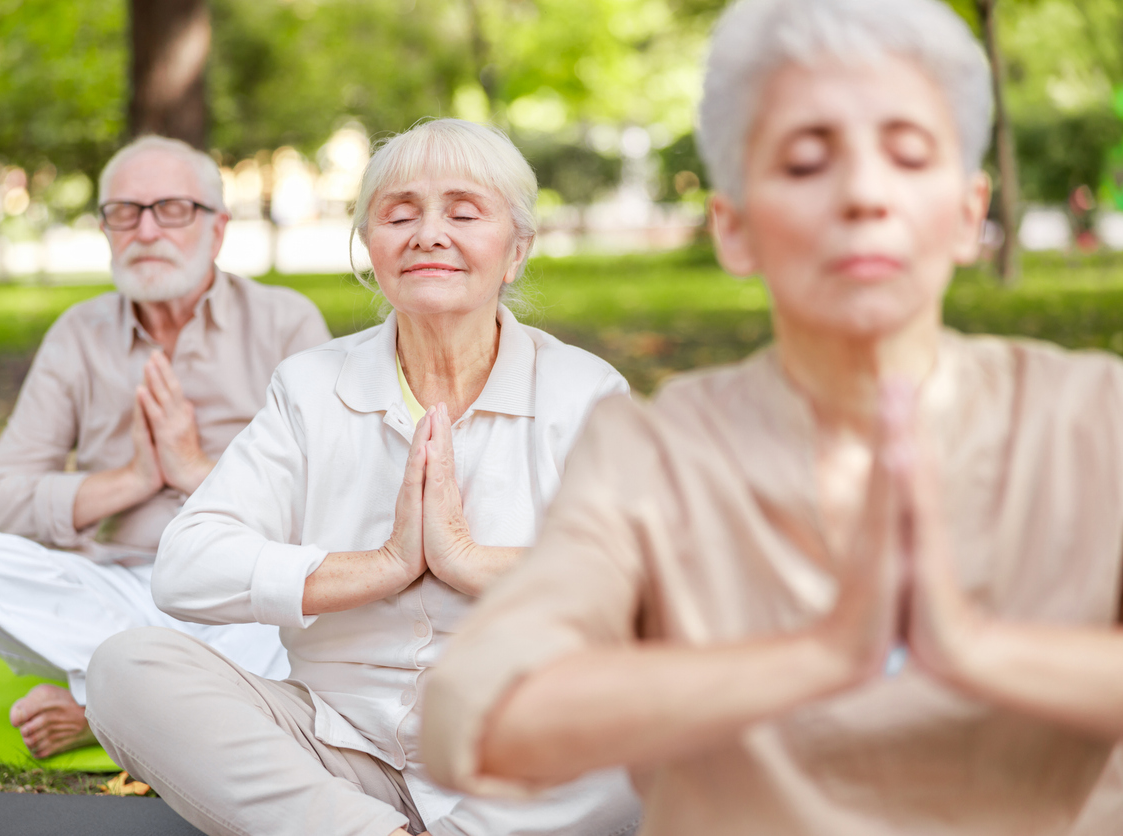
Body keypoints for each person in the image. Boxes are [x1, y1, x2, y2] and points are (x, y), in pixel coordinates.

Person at [420, 1, 1123, 833]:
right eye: (804, 163)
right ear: (735, 227)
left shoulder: (1096, 419)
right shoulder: (650, 451)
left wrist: (972, 648)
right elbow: (479, 719)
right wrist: (821, 655)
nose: (864, 194)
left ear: (970, 213)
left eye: (907, 155)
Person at [83, 119, 642, 836]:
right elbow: (186, 569)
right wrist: (382, 566)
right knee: (126, 669)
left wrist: (469, 563)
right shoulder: (311, 386)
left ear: (516, 251)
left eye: (464, 213)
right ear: (370, 249)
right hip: (336, 749)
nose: (428, 234)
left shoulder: (583, 392)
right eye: (400, 214)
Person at [0, 135, 331, 759]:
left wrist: (193, 468)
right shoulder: (77, 334)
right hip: (111, 589)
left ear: (218, 229)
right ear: (106, 230)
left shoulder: (287, 321)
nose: (146, 230)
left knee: (307, 607)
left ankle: (102, 708)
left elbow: (327, 499)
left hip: (233, 592)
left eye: (171, 209)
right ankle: (158, 701)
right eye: (125, 211)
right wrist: (134, 479)